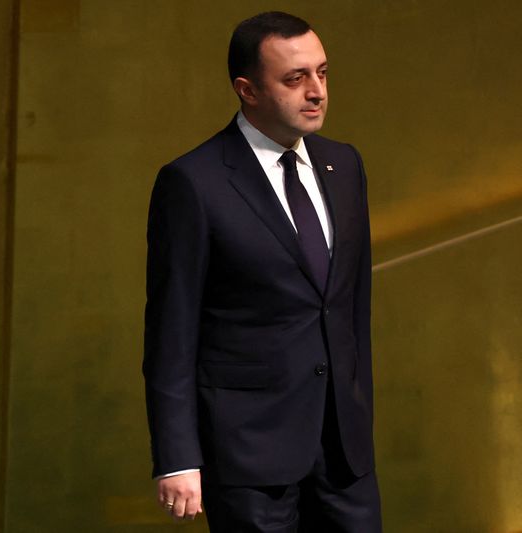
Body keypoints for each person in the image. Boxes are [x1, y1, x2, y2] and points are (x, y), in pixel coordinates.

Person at [143, 11, 380, 531]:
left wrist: (358, 411)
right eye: (295, 79)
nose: (316, 91)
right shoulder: (194, 183)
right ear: (247, 90)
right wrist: (178, 455)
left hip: (345, 451)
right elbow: (171, 334)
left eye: (322, 73)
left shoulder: (346, 166)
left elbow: (351, 307)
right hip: (248, 453)